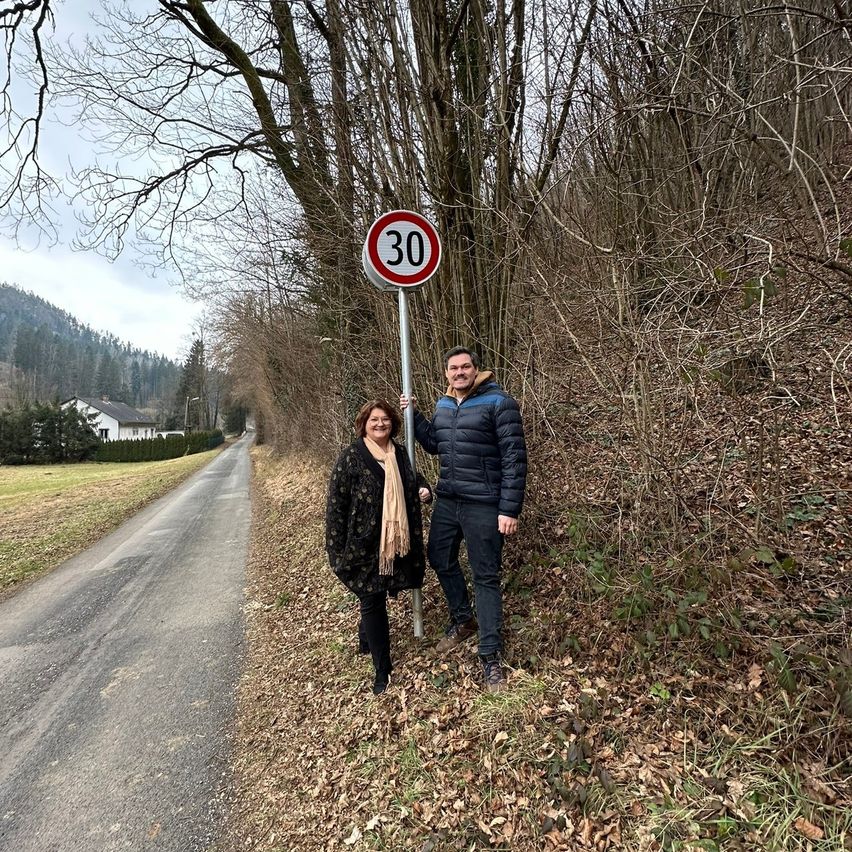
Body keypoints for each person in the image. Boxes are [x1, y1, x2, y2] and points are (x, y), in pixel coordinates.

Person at [400, 346, 527, 692]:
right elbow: (433, 443)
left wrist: (508, 509)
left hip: (484, 504)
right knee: (439, 557)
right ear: (446, 374)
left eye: (466, 366)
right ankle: (463, 618)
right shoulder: (444, 405)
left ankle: (491, 658)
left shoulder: (499, 403)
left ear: (476, 369)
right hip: (449, 500)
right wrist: (415, 415)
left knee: (485, 575)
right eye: (454, 368)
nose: (460, 372)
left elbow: (515, 460)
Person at [325, 400, 431, 695]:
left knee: (375, 595)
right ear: (364, 424)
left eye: (385, 419)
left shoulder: (399, 454)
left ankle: (364, 638)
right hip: (362, 547)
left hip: (393, 543)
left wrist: (425, 489)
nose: (380, 424)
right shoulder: (351, 458)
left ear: (393, 423)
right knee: (372, 599)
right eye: (374, 420)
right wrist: (337, 549)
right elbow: (336, 505)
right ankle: (382, 670)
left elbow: (412, 479)